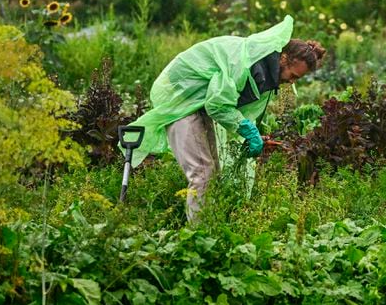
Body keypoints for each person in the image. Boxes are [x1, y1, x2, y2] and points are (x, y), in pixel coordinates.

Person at [126, 16, 326, 221]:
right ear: (283, 58)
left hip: (201, 102)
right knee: (202, 172)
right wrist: (247, 131)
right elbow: (218, 105)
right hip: (181, 94)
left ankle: (208, 227)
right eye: (293, 76)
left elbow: (244, 114)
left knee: (213, 173)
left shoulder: (268, 74)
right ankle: (196, 236)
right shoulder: (244, 62)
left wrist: (254, 134)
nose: (290, 82)